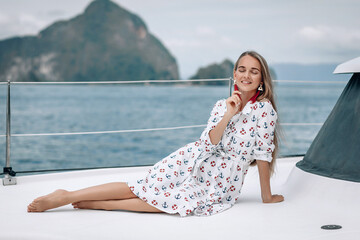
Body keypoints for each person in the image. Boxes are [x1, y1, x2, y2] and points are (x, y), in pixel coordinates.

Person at [27, 50, 284, 216]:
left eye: (254, 71)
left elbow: (263, 153)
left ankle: (103, 204)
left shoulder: (264, 111)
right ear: (234, 73)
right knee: (143, 186)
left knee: (175, 203)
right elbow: (209, 142)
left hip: (220, 180)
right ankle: (67, 196)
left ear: (262, 79)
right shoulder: (222, 104)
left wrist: (266, 196)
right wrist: (228, 114)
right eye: (242, 69)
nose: (246, 75)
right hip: (192, 158)